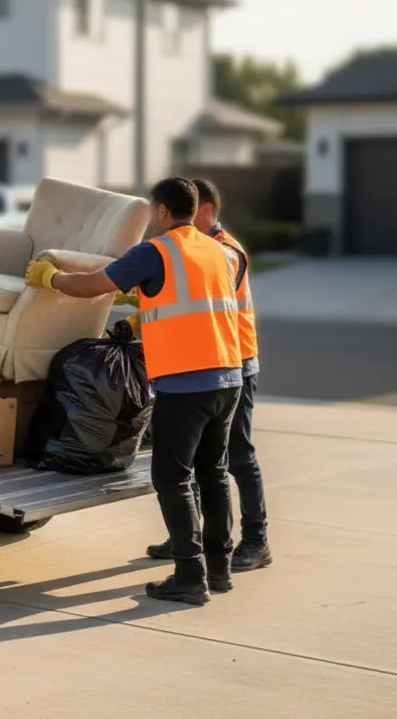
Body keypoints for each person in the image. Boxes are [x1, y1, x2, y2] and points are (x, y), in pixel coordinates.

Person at [24, 177, 242, 605]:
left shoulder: (156, 251)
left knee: (172, 477)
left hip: (185, 383)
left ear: (161, 211)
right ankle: (220, 570)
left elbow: (92, 286)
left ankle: (189, 575)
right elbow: (194, 301)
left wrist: (51, 278)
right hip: (228, 377)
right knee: (213, 475)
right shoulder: (218, 251)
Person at [142, 179, 273, 573]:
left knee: (237, 457)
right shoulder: (197, 249)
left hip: (235, 361)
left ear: (206, 210)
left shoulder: (226, 251)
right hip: (213, 361)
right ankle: (189, 539)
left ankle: (256, 541)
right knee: (197, 461)